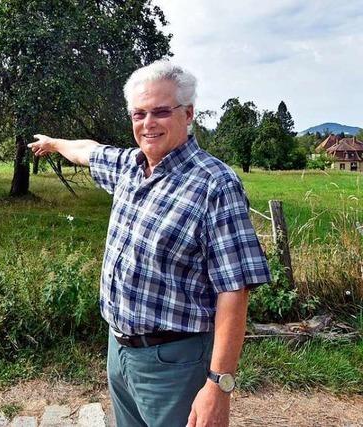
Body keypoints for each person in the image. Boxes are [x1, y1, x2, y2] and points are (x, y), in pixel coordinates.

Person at [28, 61, 270, 427]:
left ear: (188, 114)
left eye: (160, 111)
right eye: (139, 114)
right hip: (119, 351)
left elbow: (234, 290)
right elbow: (87, 150)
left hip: (175, 361)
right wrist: (53, 143)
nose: (148, 123)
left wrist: (219, 386)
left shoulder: (214, 185)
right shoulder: (129, 166)